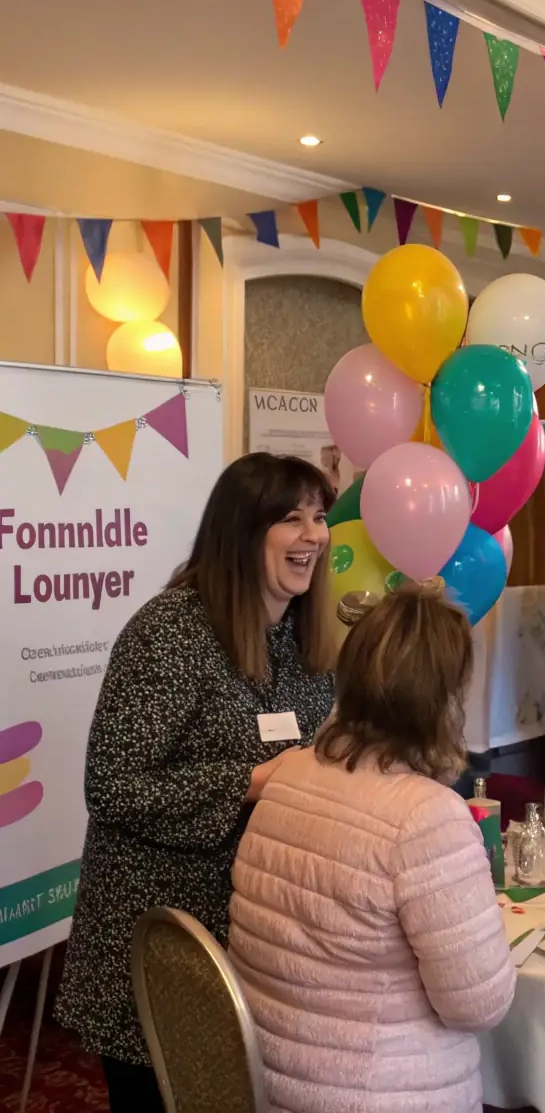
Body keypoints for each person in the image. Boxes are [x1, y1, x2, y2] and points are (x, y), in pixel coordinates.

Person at [55, 453, 336, 1113]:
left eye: (319, 517)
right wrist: (253, 779)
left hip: (250, 935)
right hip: (160, 945)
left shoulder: (299, 638)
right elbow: (114, 784)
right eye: (291, 518)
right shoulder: (170, 632)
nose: (314, 535)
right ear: (242, 530)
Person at [228, 582, 516, 1113]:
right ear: (444, 699)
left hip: (268, 1083)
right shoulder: (425, 818)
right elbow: (478, 1005)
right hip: (378, 1093)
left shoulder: (291, 772)